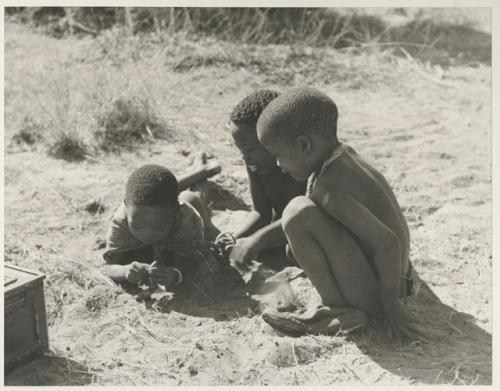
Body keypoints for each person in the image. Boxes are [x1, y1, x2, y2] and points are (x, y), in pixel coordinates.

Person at [256, 86, 421, 338]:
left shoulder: (329, 188)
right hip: (402, 278)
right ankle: (358, 305)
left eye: (278, 155)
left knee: (296, 213)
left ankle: (340, 312)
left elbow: (387, 243)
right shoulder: (344, 157)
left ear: (303, 145)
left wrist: (391, 306)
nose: (278, 164)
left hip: (386, 291)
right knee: (300, 220)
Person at [216, 89, 306, 271]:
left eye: (249, 149)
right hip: (278, 232)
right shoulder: (257, 167)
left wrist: (254, 241)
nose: (245, 158)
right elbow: (261, 212)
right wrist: (236, 237)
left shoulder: (304, 169)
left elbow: (302, 219)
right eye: (240, 150)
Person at [102, 163, 223, 292]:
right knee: (165, 195)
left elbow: (195, 259)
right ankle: (202, 171)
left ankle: (202, 177)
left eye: (159, 228)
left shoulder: (187, 218)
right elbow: (107, 268)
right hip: (166, 209)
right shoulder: (122, 220)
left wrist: (177, 274)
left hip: (191, 207)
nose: (147, 235)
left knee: (191, 198)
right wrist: (124, 271)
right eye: (137, 226)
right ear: (126, 206)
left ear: (176, 212)